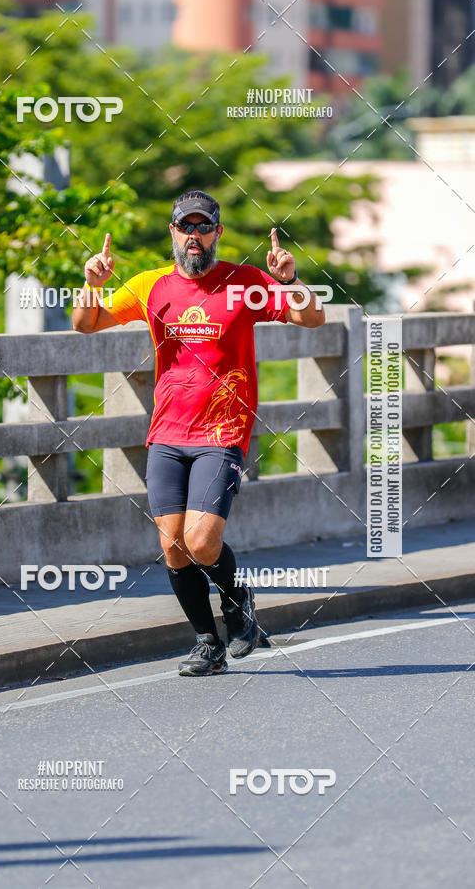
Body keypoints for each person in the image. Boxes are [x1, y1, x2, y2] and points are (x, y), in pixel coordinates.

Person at [72, 190, 325, 676]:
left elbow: (311, 317)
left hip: (223, 430)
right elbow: (86, 324)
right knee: (172, 545)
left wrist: (289, 280)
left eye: (203, 227)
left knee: (202, 542)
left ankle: (238, 602)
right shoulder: (151, 285)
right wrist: (90, 284)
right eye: (185, 228)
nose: (194, 237)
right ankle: (207, 643)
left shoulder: (244, 282)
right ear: (172, 232)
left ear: (217, 233)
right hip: (166, 431)